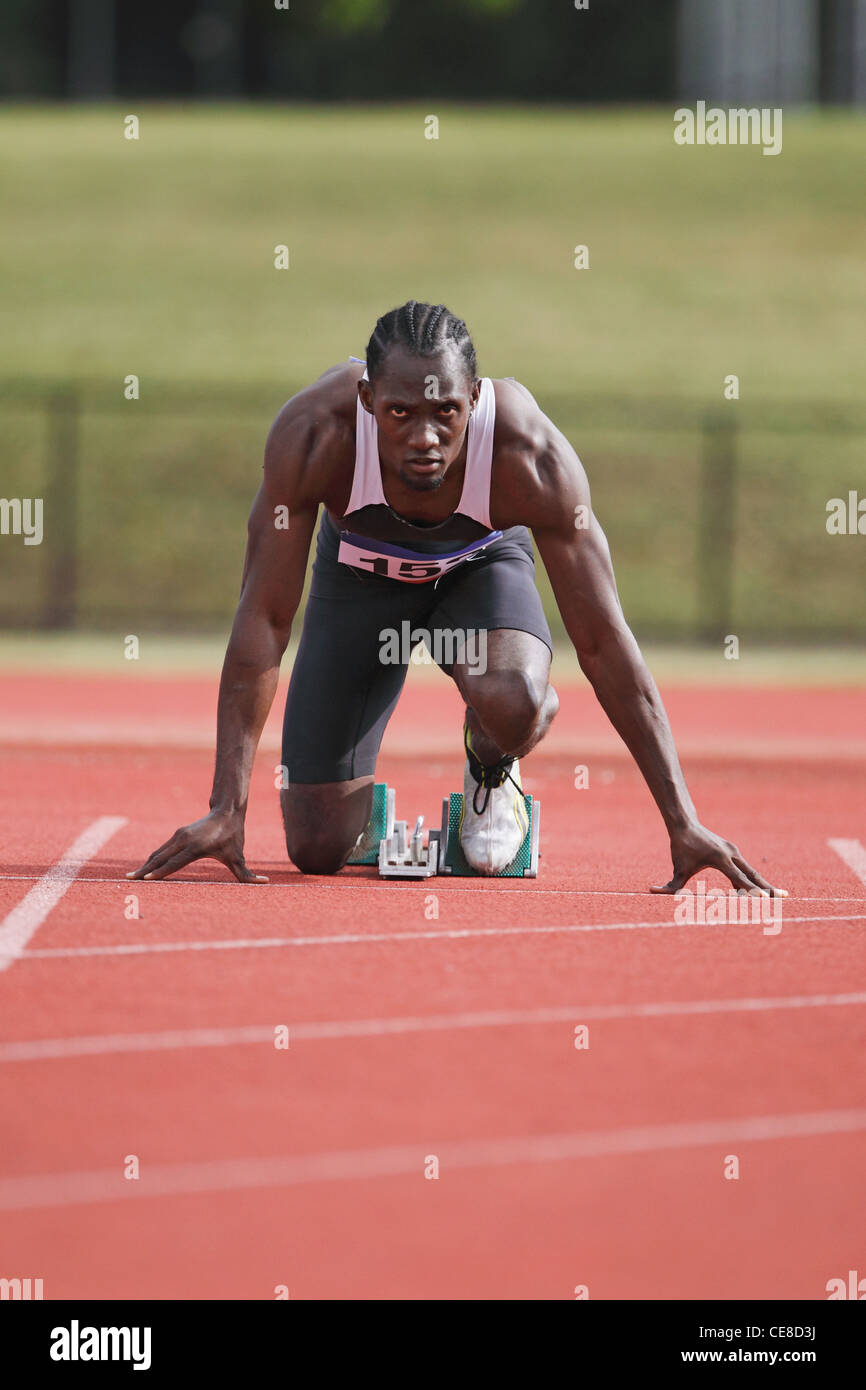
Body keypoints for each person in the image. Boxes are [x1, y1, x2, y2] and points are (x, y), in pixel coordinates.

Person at [130, 301, 784, 897]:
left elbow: (602, 641)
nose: (424, 437)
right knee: (317, 849)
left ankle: (492, 763)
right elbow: (265, 620)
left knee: (514, 701)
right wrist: (228, 806)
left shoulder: (529, 455)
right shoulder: (312, 435)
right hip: (359, 580)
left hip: (478, 572)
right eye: (400, 413)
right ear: (366, 400)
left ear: (474, 398)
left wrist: (682, 820)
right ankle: (357, 805)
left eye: (445, 412)